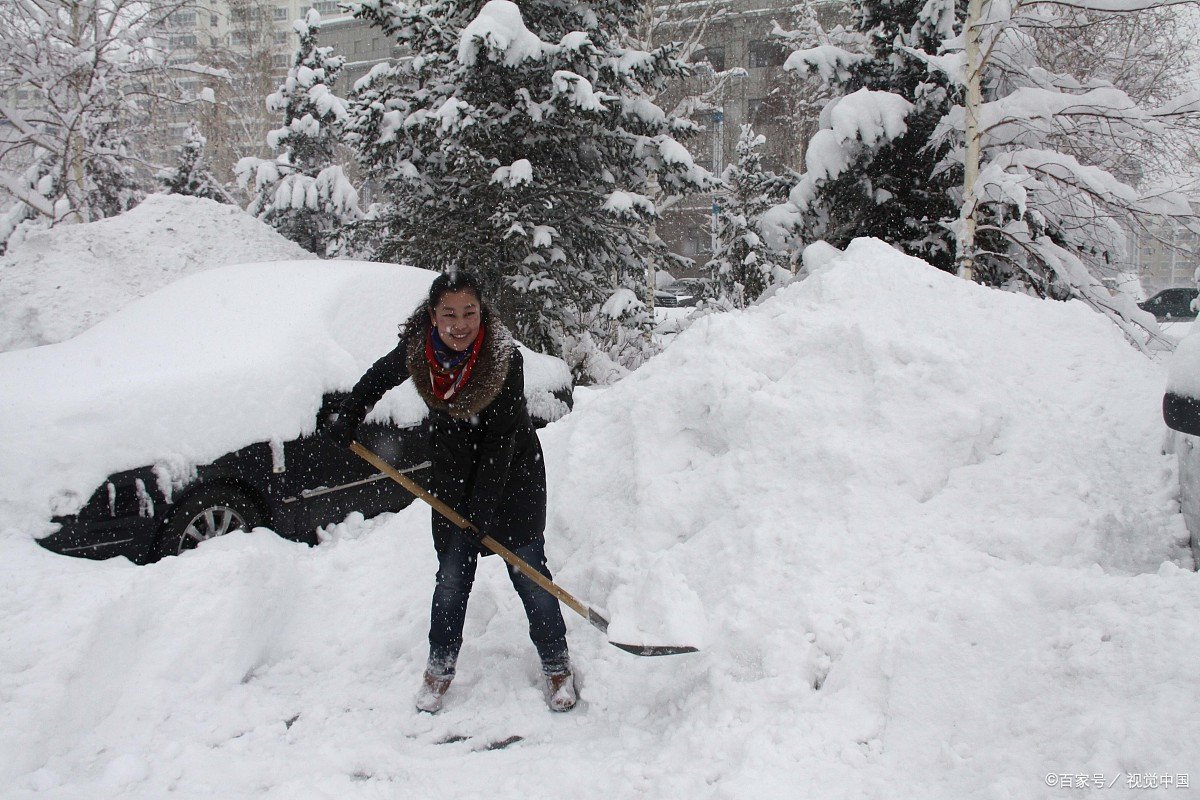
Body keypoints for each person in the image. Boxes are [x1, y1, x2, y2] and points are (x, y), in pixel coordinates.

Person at [322, 270, 576, 714]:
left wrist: (481, 511)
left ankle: (557, 664)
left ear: (483, 312)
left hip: (514, 479)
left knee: (530, 573)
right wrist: (349, 413)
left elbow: (499, 445)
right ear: (433, 316)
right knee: (453, 579)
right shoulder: (421, 352)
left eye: (469, 312)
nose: (460, 324)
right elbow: (379, 377)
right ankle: (438, 670)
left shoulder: (503, 360)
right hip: (454, 482)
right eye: (449, 314)